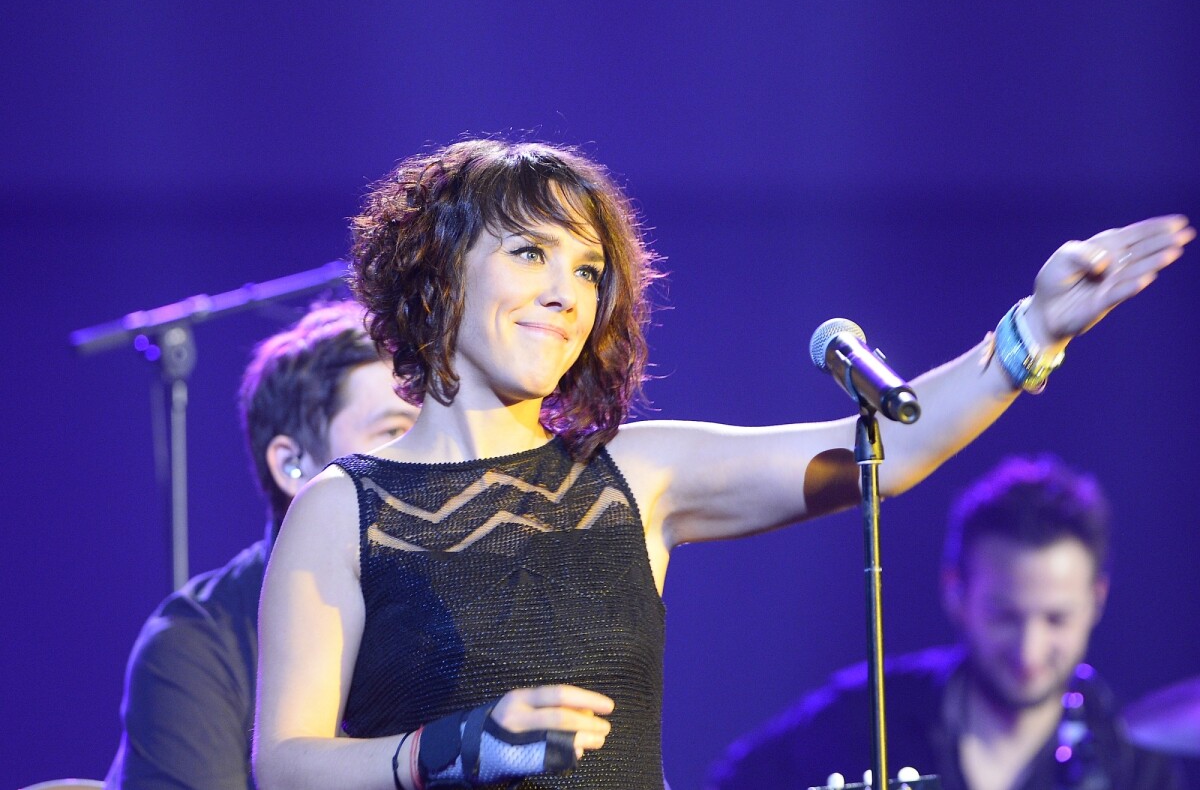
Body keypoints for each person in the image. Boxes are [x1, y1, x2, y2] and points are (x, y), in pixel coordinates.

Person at [250, 138, 1193, 790]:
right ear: (440, 274)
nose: (564, 293)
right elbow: (283, 764)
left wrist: (1033, 333)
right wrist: (442, 751)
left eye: (587, 270)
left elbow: (885, 450)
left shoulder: (635, 473)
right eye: (531, 253)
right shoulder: (344, 509)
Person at [707, 454, 1185, 790]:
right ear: (956, 592)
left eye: (1056, 619)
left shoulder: (1134, 767)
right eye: (1005, 615)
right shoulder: (863, 717)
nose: (1029, 649)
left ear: (1096, 600)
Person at [105, 300, 420, 790]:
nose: (425, 459)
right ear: (293, 463)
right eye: (394, 432)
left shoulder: (453, 599)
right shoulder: (196, 644)